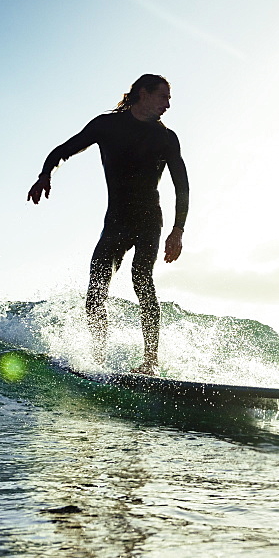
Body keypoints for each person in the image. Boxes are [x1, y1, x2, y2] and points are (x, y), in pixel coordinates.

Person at [26, 74, 189, 373]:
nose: (168, 104)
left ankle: (150, 362)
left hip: (149, 218)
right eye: (163, 96)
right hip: (116, 220)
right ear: (144, 93)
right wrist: (44, 174)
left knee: (142, 279)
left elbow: (182, 186)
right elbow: (64, 149)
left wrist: (177, 230)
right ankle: (97, 360)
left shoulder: (166, 138)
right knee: (96, 290)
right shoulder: (107, 125)